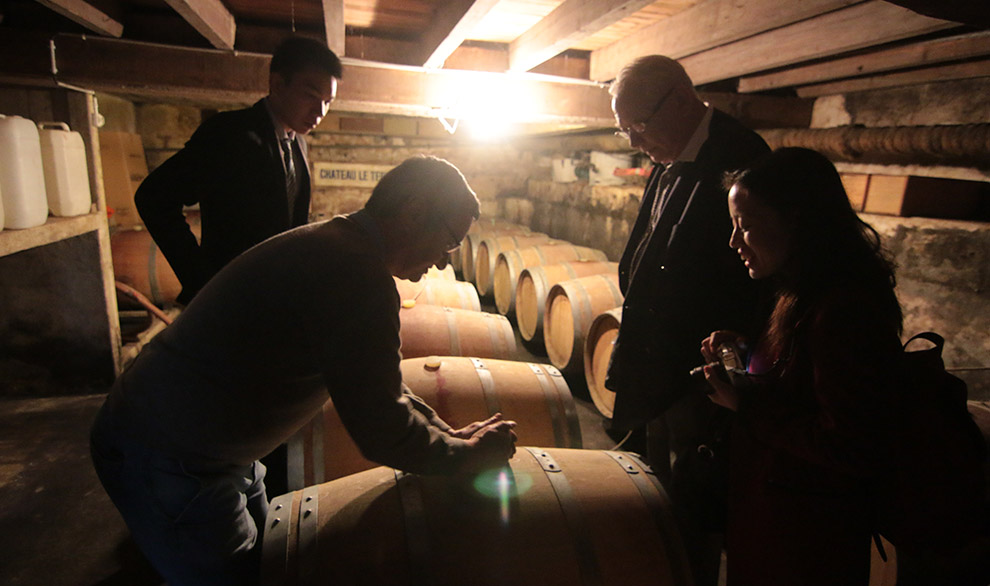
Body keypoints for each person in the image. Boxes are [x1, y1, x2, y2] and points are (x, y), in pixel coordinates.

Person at [91, 156, 519, 586]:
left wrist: (449, 434)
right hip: (171, 452)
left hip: (212, 449)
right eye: (449, 242)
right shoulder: (354, 273)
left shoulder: (342, 244)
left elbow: (377, 382)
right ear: (413, 210)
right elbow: (379, 425)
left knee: (272, 563)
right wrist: (463, 458)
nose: (444, 263)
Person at [699, 147, 905, 585]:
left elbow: (851, 443)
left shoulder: (844, 310)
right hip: (776, 517)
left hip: (808, 536)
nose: (734, 241)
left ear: (795, 219)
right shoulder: (801, 290)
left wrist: (744, 404)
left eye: (745, 225)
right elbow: (799, 379)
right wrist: (748, 352)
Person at [603, 55, 772, 584]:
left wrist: (732, 366)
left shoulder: (740, 156)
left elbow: (751, 276)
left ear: (679, 100)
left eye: (638, 125)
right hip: (659, 362)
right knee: (657, 489)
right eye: (625, 130)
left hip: (700, 371)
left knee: (693, 498)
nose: (634, 141)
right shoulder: (671, 153)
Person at [135, 35, 342, 306]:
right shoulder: (229, 133)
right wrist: (201, 281)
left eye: (328, 101)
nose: (320, 111)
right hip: (230, 299)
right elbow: (153, 197)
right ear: (278, 84)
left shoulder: (298, 144)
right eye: (311, 95)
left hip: (273, 296)